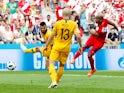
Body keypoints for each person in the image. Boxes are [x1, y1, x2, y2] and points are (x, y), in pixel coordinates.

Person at [43, 8, 82, 88]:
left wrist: (46, 44)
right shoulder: (74, 24)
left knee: (51, 63)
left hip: (57, 46)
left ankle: (54, 81)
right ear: (70, 15)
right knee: (61, 65)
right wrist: (80, 46)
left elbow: (52, 35)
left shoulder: (57, 23)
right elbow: (78, 36)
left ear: (62, 15)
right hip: (66, 48)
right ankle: (56, 82)